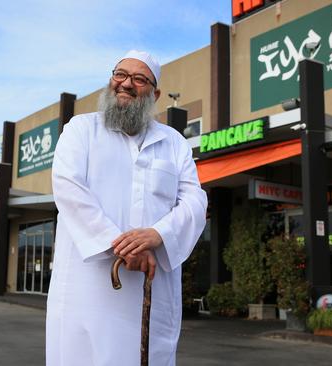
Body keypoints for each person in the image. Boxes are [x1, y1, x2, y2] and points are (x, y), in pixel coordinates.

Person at [46, 50, 208, 366]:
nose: (126, 84)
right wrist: (123, 246)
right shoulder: (81, 129)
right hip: (87, 287)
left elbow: (195, 201)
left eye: (139, 79)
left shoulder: (174, 142)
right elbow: (69, 189)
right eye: (120, 74)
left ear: (156, 93)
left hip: (152, 288)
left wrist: (157, 235)